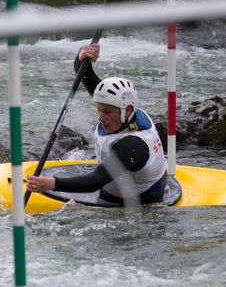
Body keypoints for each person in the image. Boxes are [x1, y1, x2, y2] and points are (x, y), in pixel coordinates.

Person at [26, 43, 168, 205]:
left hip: (140, 199)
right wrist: (82, 58)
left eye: (106, 112)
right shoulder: (121, 108)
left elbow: (94, 182)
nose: (101, 117)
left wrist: (51, 184)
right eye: (98, 110)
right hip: (118, 182)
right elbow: (84, 74)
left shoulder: (132, 145)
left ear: (127, 111)